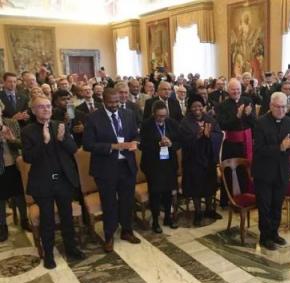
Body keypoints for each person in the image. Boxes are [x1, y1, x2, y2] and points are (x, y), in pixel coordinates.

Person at [21, 96, 85, 269]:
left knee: (67, 217)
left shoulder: (60, 125)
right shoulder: (28, 131)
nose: (46, 109)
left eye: (48, 106)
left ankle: (71, 248)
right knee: (47, 220)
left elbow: (73, 150)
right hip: (43, 184)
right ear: (34, 111)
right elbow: (28, 158)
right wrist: (45, 141)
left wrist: (63, 138)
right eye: (41, 107)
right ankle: (48, 254)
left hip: (63, 180)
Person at [83, 88, 141, 253]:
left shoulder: (128, 114)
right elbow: (88, 144)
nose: (115, 105)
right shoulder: (93, 118)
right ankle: (109, 236)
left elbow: (136, 135)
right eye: (111, 103)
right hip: (105, 168)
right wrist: (112, 146)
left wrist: (135, 142)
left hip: (126, 165)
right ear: (104, 101)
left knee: (127, 201)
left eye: (117, 102)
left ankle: (127, 231)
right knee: (108, 203)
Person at [252, 92, 290, 250]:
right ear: (271, 106)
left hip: (282, 171)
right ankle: (265, 237)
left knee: (277, 205)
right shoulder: (260, 123)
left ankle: (274, 233)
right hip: (264, 172)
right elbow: (259, 149)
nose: (281, 110)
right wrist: (280, 147)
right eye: (278, 107)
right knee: (265, 206)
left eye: (284, 107)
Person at [179, 95, 222, 227]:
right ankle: (198, 212)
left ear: (203, 107)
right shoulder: (185, 122)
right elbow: (183, 141)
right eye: (194, 106)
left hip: (208, 158)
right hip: (193, 160)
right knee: (196, 187)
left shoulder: (210, 119)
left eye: (199, 106)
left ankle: (209, 209)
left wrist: (210, 136)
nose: (197, 109)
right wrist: (197, 135)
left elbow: (219, 135)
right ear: (189, 108)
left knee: (209, 185)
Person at [139, 101, 179, 233]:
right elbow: (142, 145)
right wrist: (158, 144)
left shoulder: (172, 123)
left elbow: (179, 141)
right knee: (155, 194)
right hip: (153, 165)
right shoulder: (146, 125)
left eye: (164, 116)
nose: (162, 118)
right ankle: (155, 221)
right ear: (153, 114)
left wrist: (171, 143)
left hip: (169, 164)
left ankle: (168, 217)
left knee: (168, 192)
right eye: (159, 116)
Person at [217, 78, 256, 208]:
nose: (236, 92)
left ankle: (246, 198)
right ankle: (228, 200)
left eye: (238, 89)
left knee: (245, 171)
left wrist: (249, 115)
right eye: (233, 89)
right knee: (230, 171)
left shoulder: (248, 101)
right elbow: (222, 124)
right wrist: (237, 117)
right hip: (231, 145)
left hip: (247, 142)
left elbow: (254, 123)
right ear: (228, 90)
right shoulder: (222, 105)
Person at [0, 110, 28, 241]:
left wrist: (11, 139)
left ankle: (24, 220)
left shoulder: (12, 123)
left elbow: (22, 144)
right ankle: (2, 226)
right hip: (1, 168)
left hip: (15, 165)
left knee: (20, 194)